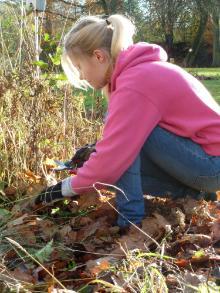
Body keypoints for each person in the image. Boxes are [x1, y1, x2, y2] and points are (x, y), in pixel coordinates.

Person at [36, 14, 220, 229]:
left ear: (98, 56)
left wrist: (63, 189)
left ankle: (130, 224)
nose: (82, 76)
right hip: (206, 162)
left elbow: (114, 156)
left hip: (211, 166)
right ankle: (193, 194)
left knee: (121, 149)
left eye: (79, 67)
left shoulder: (135, 82)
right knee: (117, 149)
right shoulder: (140, 72)